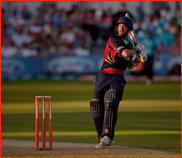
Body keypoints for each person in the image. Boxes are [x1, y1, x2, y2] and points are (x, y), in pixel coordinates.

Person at [90, 16, 147, 149]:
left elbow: (129, 66)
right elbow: (125, 53)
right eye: (119, 26)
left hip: (117, 77)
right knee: (96, 106)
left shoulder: (129, 45)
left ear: (128, 30)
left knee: (111, 99)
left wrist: (138, 59)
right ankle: (102, 138)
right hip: (103, 75)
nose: (120, 28)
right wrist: (138, 50)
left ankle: (108, 136)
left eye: (124, 26)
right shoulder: (113, 39)